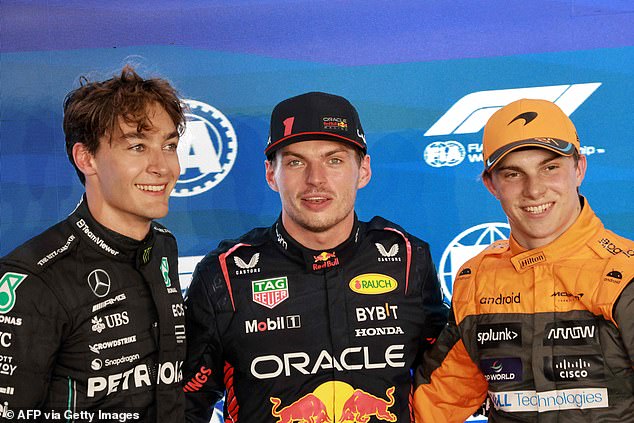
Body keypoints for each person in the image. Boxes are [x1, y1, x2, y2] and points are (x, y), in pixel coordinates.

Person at [183, 91, 448, 422]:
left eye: (334, 160)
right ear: (270, 173)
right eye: (295, 162)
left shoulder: (407, 259)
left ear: (363, 170)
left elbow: (451, 380)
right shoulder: (224, 274)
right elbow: (185, 403)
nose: (315, 180)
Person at [413, 98, 634, 422]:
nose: (534, 190)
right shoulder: (478, 278)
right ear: (491, 184)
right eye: (514, 173)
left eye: (550, 167)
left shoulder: (625, 273)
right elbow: (433, 405)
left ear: (579, 169)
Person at [0, 66, 187, 421]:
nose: (162, 166)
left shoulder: (163, 247)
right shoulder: (33, 278)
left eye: (169, 146)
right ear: (86, 158)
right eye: (137, 146)